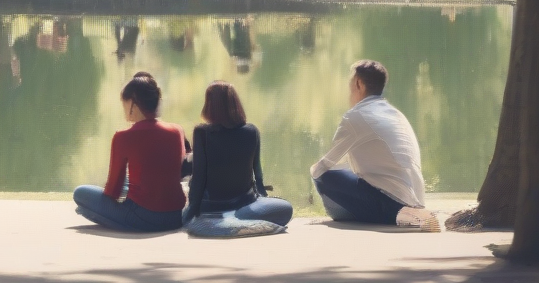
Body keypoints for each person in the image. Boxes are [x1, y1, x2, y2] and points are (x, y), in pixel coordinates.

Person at [310, 60, 440, 231]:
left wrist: (312, 173)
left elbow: (325, 165)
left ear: (358, 84)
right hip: (416, 197)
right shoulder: (396, 114)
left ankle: (397, 214)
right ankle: (402, 211)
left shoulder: (355, 117)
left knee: (324, 176)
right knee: (345, 175)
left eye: (350, 85)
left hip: (391, 200)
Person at [73, 72, 187, 232]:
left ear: (133, 103)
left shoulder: (123, 137)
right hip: (176, 216)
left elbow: (112, 191)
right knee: (130, 180)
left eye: (124, 102)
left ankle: (106, 217)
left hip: (141, 218)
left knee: (81, 193)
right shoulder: (177, 131)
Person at [185, 81, 293, 228]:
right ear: (235, 104)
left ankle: (222, 219)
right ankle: (240, 217)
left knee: (189, 186)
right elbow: (258, 173)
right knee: (285, 208)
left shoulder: (202, 132)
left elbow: (199, 177)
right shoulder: (252, 131)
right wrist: (262, 198)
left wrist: (191, 212)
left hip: (211, 206)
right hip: (244, 203)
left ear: (209, 105)